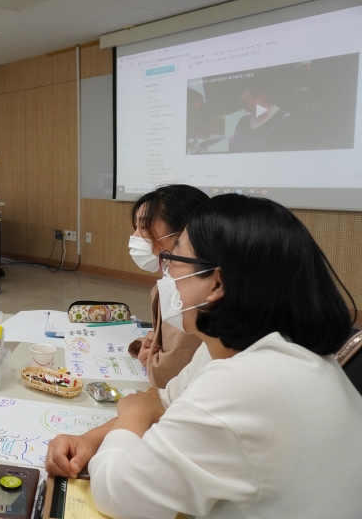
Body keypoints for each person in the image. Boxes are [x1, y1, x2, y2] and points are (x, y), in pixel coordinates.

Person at [46, 194, 362, 518]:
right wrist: (90, 440)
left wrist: (130, 416)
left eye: (174, 260)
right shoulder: (239, 352)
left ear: (217, 284)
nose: (166, 274)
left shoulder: (247, 382)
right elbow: (164, 402)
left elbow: (121, 495)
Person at [126, 184, 208, 388]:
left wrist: (152, 359)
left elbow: (171, 372)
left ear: (184, 233)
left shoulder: (189, 291)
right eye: (135, 227)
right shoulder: (173, 282)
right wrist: (156, 340)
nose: (136, 237)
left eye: (143, 227)